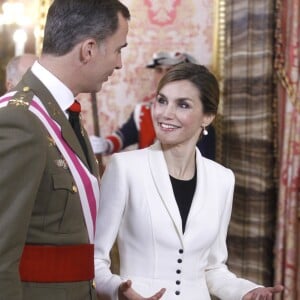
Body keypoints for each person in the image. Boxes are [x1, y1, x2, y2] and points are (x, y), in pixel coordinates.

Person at [94, 63, 284, 299]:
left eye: (182, 105)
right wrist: (119, 290)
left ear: (207, 116)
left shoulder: (223, 179)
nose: (165, 113)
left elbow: (213, 268)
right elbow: (94, 260)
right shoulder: (125, 168)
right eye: (162, 101)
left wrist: (246, 290)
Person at [0, 1, 130, 299]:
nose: (119, 63)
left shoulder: (62, 113)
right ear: (88, 49)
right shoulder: (19, 119)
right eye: (118, 49)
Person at [89, 51, 216, 160]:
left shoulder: (199, 117)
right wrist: (106, 144)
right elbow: (124, 136)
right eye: (159, 70)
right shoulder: (143, 111)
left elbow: (204, 163)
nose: (163, 75)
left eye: (170, 70)